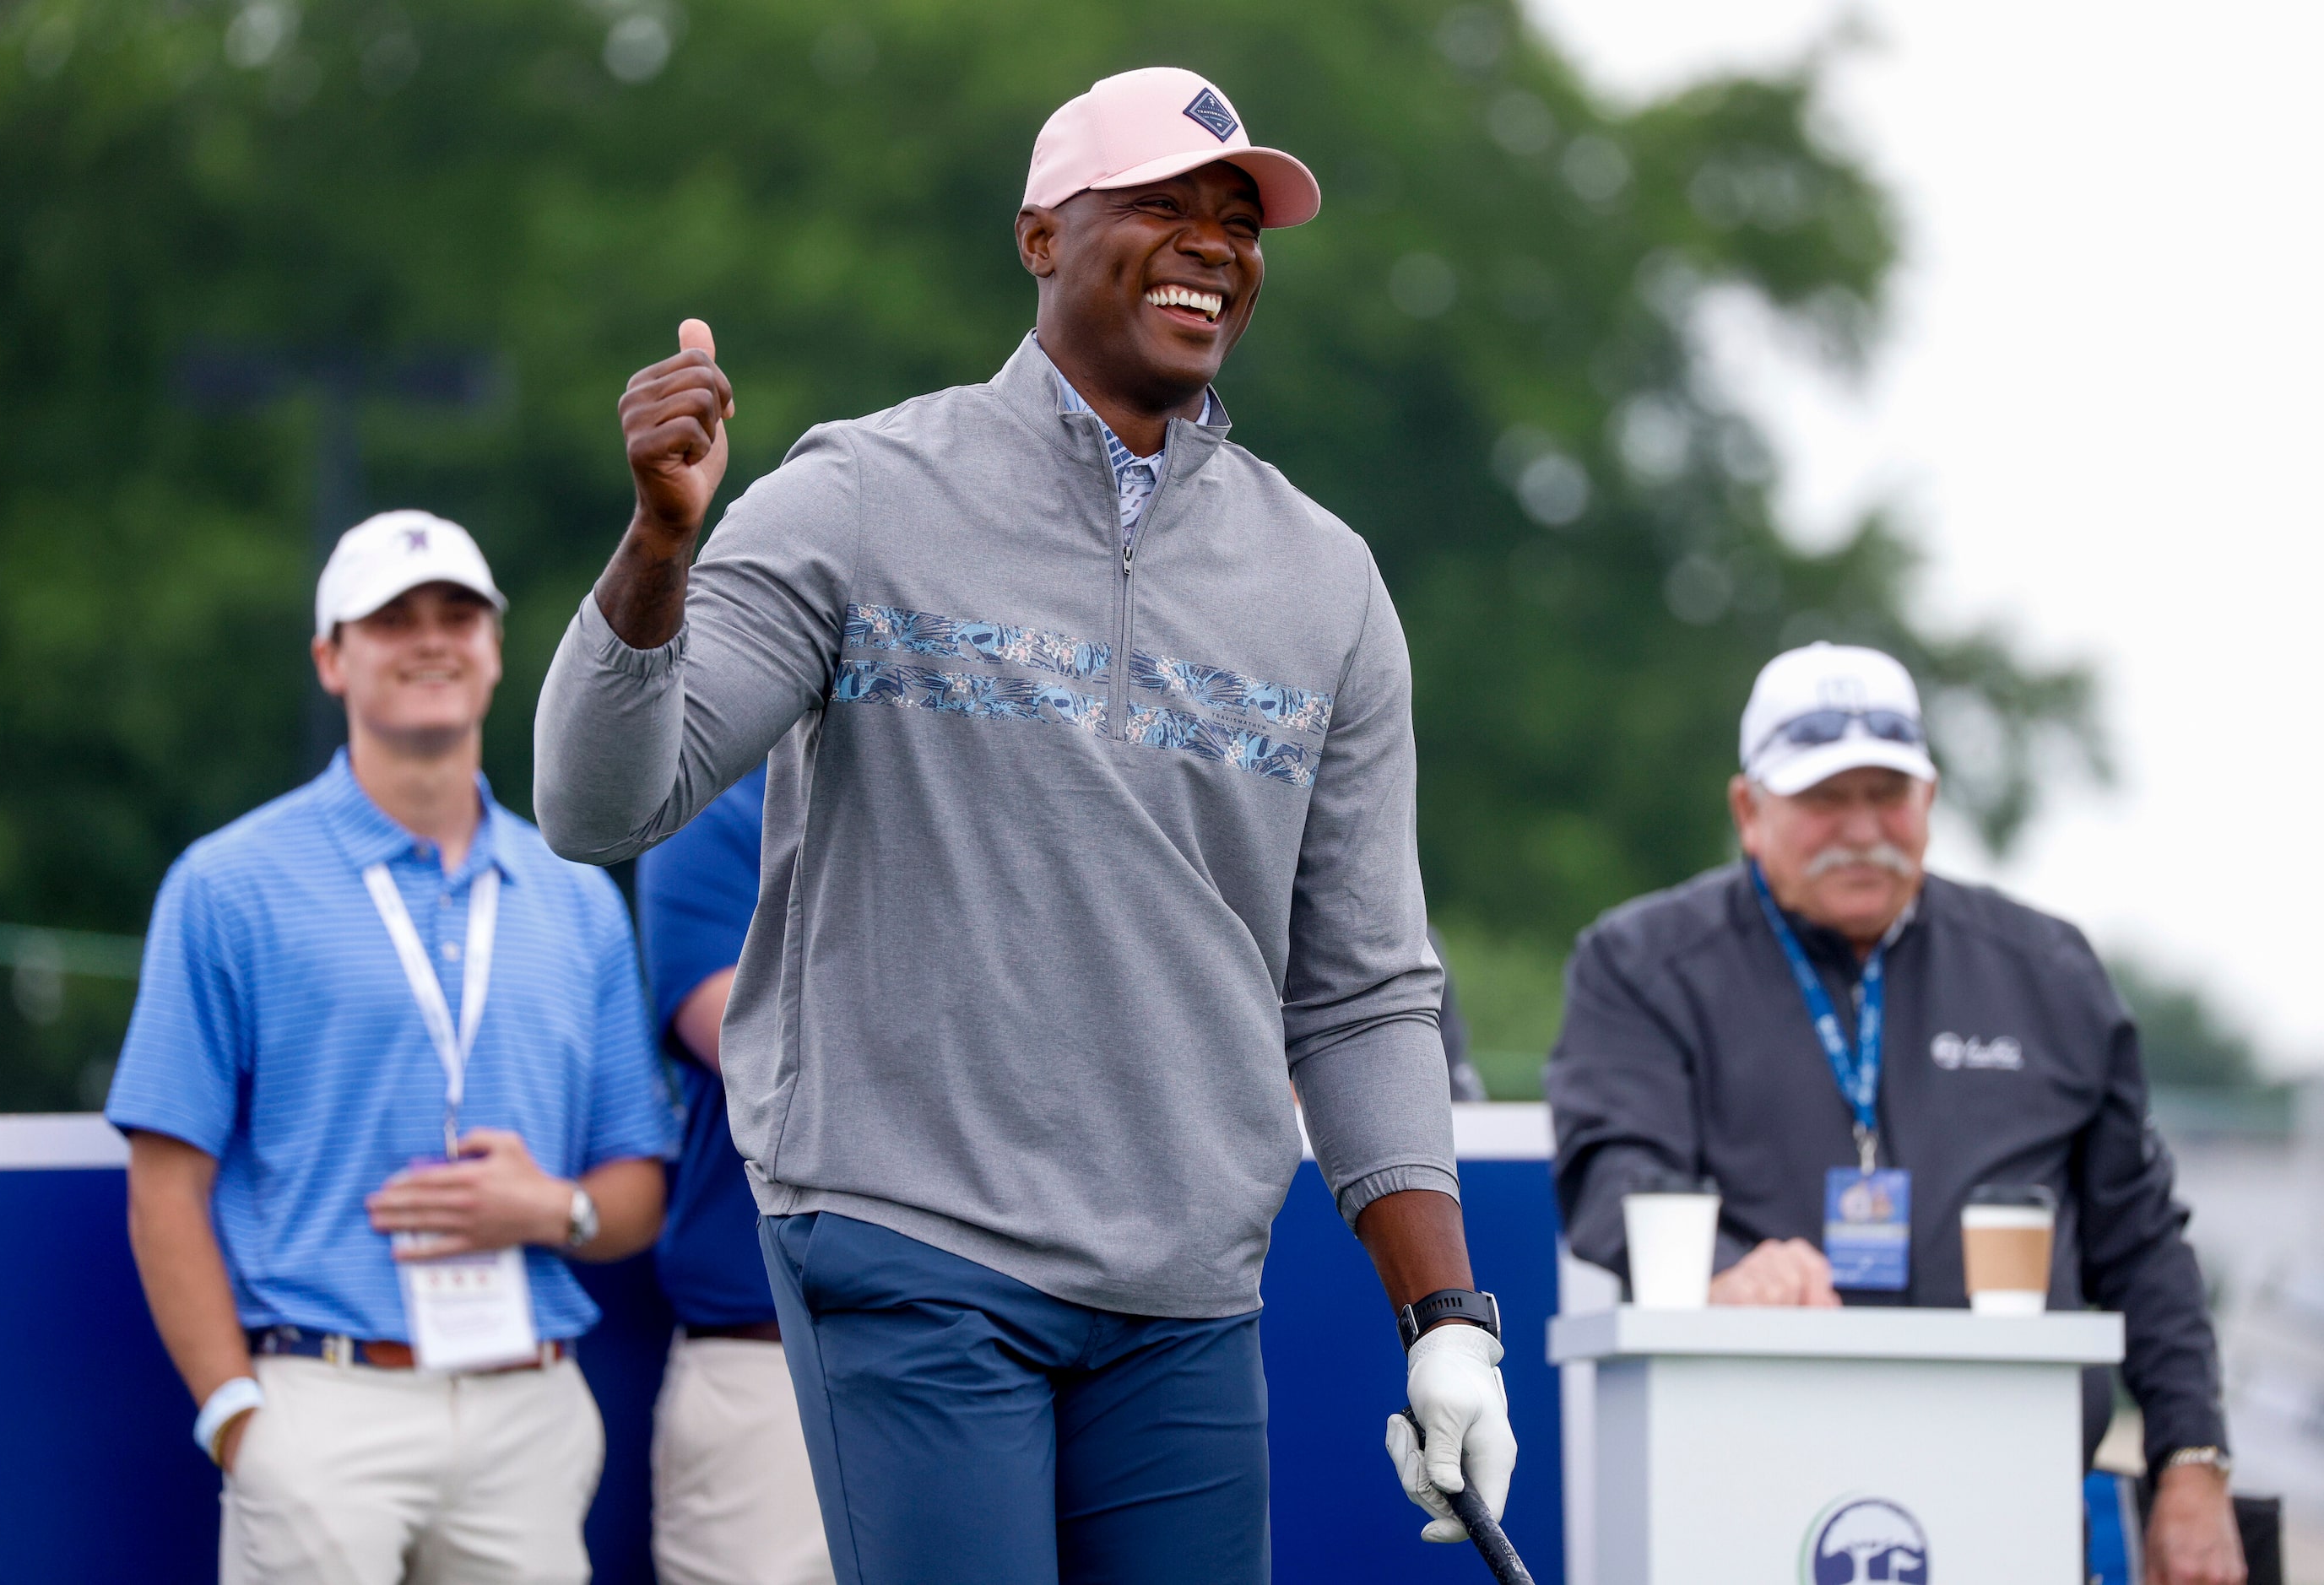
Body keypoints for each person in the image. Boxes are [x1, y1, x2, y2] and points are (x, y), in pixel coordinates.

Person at [533, 65, 1514, 1585]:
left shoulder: (1326, 581)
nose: (1214, 246)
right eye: (1164, 208)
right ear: (1041, 236)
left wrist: (1447, 1323)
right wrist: (658, 550)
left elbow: (1365, 987)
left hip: (1186, 1287)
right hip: (911, 1236)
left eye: (1239, 223)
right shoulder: (859, 492)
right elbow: (600, 800)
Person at [1546, 641, 2246, 1585]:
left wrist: (2190, 1462)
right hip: (1740, 1493)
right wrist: (1721, 1274)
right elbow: (1612, 1174)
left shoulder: (2047, 973)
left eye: (1886, 795)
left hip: (2011, 1503)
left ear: (1929, 802)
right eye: (1823, 799)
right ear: (1748, 811)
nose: (1860, 828)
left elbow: (2140, 1240)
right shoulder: (1640, 964)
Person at [109, 510, 676, 1585]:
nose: (431, 639)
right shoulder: (228, 884)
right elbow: (164, 1187)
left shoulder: (578, 899)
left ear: (497, 648)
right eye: (390, 619)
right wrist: (240, 1420)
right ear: (331, 658)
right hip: (324, 1408)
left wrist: (553, 1210)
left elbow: (636, 1180)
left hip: (526, 1405)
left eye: (457, 615)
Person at [635, 765, 834, 1585]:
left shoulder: (1000, 802)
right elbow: (763, 1058)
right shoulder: (716, 816)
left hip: (983, 1356)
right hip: (770, 1368)